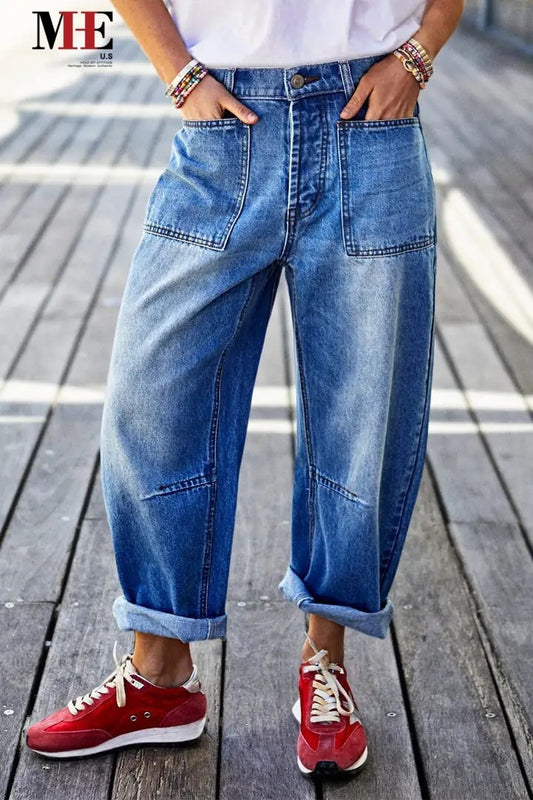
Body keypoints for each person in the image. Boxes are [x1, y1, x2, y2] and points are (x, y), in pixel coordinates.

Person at [26, 0, 464, 776]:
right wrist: (176, 69)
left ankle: (324, 664)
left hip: (371, 118)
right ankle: (159, 677)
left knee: (363, 414)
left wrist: (421, 50)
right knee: (151, 401)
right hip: (222, 126)